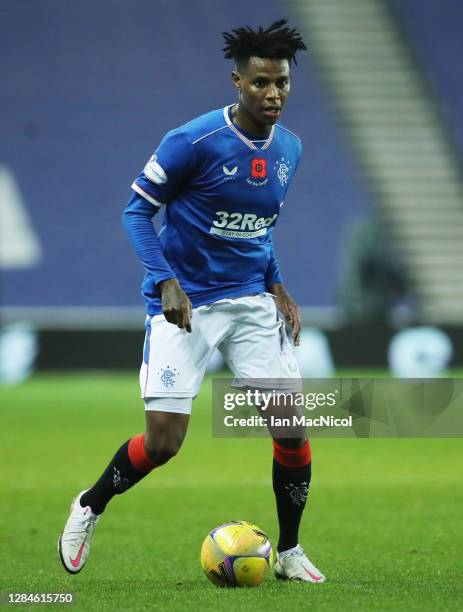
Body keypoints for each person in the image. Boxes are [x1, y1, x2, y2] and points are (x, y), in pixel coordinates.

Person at [58, 19, 325, 584]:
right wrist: (164, 281)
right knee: (163, 444)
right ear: (236, 81)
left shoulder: (291, 149)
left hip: (251, 301)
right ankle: (90, 504)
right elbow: (136, 211)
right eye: (260, 83)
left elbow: (258, 228)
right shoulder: (193, 141)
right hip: (185, 305)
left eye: (281, 83)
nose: (273, 94)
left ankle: (292, 551)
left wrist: (277, 284)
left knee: (292, 429)